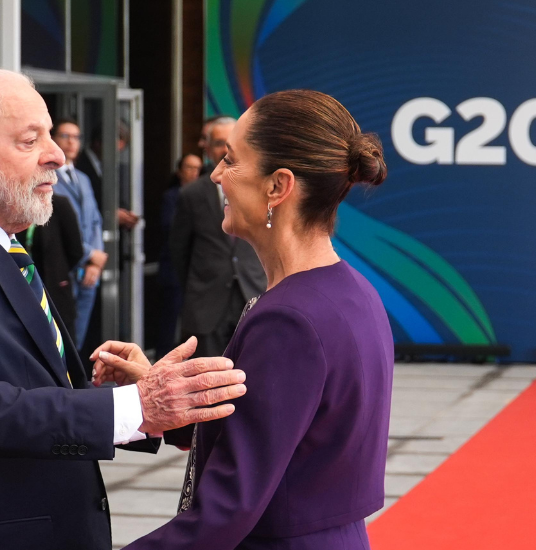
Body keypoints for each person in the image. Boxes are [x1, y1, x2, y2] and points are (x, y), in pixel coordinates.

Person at [0, 67, 247, 550]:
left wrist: (147, 407)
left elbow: (33, 394)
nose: (58, 156)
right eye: (29, 140)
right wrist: (135, 407)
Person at [93, 89, 394, 549]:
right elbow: (285, 437)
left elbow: (226, 511)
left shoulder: (289, 320)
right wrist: (163, 393)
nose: (215, 174)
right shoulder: (352, 292)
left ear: (278, 186)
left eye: (231, 160)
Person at [170, 117, 266, 358]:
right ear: (207, 148)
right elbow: (179, 252)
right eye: (219, 143)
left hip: (252, 295)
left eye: (232, 143)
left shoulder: (262, 189)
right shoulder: (191, 194)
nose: (225, 150)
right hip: (206, 305)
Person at [51, 118, 108, 349]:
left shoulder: (83, 178)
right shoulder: (48, 177)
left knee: (78, 341)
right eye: (65, 136)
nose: (71, 142)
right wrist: (90, 255)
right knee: (60, 339)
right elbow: (52, 228)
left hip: (88, 272)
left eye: (76, 137)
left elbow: (94, 220)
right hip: (63, 268)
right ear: (54, 139)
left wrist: (96, 261)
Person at [15, 194, 84, 345]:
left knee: (63, 344)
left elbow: (75, 251)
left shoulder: (59, 204)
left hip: (55, 287)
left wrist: (58, 272)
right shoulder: (16, 204)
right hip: (23, 288)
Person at [156, 154, 202, 357]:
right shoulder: (172, 196)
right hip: (173, 268)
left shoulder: (202, 197)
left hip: (196, 270)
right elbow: (169, 228)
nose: (193, 172)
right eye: (189, 167)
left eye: (197, 168)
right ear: (179, 170)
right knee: (169, 320)